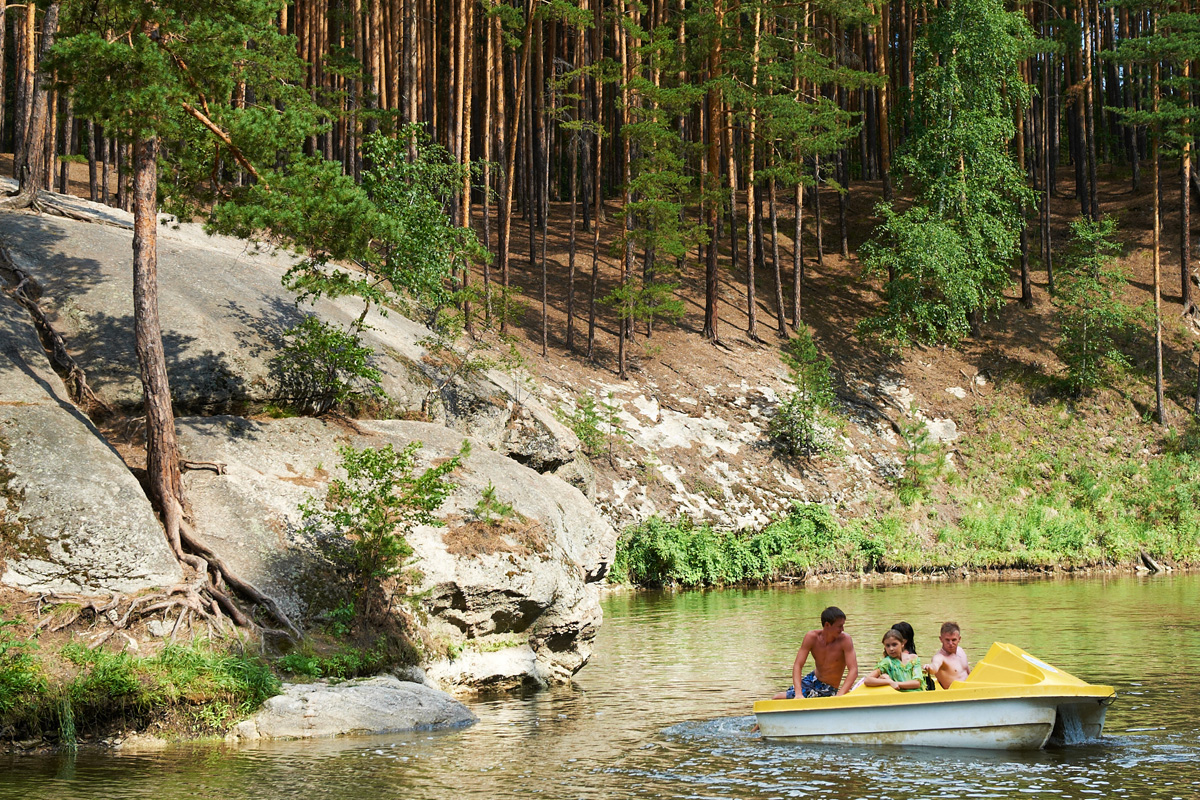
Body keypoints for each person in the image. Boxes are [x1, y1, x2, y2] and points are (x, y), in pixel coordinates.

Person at [772, 606, 859, 699]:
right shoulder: (811, 637)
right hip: (812, 679)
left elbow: (853, 670)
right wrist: (798, 693)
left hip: (828, 687)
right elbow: (798, 665)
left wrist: (839, 695)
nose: (843, 629)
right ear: (827, 625)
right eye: (839, 626)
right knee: (776, 698)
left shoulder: (845, 640)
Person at [926, 621, 971, 689]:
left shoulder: (961, 651)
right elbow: (934, 667)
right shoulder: (939, 657)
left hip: (970, 690)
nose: (950, 643)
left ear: (959, 639)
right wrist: (929, 668)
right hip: (955, 694)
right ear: (941, 639)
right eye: (947, 640)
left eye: (954, 640)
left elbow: (968, 673)